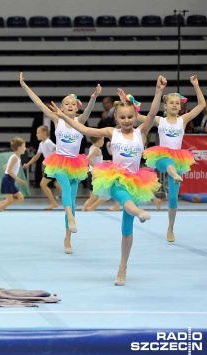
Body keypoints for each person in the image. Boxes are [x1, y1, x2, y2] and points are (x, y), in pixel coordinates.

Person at [48, 75, 165, 286]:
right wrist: (64, 118)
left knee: (126, 230)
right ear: (116, 119)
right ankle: (138, 212)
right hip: (116, 178)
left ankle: (123, 267)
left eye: (130, 117)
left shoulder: (141, 131)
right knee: (124, 200)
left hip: (137, 181)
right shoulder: (112, 132)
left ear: (135, 116)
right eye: (123, 118)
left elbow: (154, 112)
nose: (127, 121)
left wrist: (158, 91)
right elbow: (84, 130)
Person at [21, 72, 100, 255]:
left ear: (76, 107)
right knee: (64, 188)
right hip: (60, 162)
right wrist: (25, 86)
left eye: (73, 104)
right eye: (67, 104)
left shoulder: (80, 120)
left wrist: (94, 97)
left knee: (71, 199)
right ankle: (71, 218)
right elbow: (40, 104)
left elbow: (89, 110)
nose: (70, 106)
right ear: (62, 108)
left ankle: (67, 238)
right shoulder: (58, 120)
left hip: (76, 163)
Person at [136, 76, 205, 242]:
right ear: (165, 106)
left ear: (180, 107)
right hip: (161, 157)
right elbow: (138, 117)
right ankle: (173, 173)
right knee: (168, 162)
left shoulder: (183, 120)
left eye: (177, 103)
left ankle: (170, 228)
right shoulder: (160, 120)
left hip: (179, 158)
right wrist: (127, 100)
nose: (175, 105)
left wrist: (196, 85)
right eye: (171, 103)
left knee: (173, 198)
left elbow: (202, 105)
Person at [22, 125, 60, 209]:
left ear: (44, 133)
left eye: (38, 133)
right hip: (51, 167)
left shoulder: (48, 142)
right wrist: (28, 164)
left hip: (53, 166)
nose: (36, 135)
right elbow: (37, 156)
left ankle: (54, 202)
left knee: (43, 184)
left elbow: (58, 151)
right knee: (57, 184)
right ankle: (67, 202)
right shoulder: (42, 144)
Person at [0, 137, 27, 212]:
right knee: (9, 201)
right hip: (8, 179)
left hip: (10, 180)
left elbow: (5, 167)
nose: (25, 148)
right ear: (19, 148)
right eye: (24, 146)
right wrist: (18, 179)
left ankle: (2, 203)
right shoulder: (15, 158)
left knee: (20, 198)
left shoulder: (16, 157)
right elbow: (9, 170)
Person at [82, 136, 105, 211]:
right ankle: (86, 209)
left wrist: (104, 162)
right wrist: (96, 167)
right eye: (103, 139)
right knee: (95, 197)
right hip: (94, 174)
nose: (103, 142)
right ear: (99, 140)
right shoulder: (96, 149)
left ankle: (86, 209)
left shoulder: (93, 147)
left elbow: (97, 160)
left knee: (94, 197)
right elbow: (88, 158)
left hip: (92, 173)